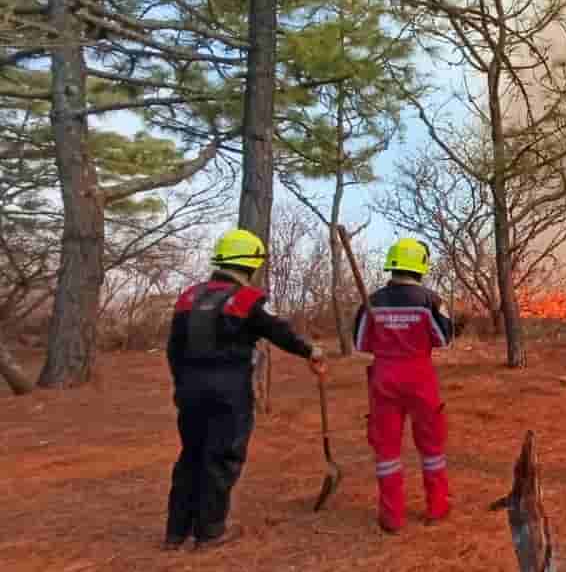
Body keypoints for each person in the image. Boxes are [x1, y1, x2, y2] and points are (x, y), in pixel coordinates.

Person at [164, 228, 326, 552]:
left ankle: (176, 532)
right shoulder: (247, 299)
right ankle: (210, 532)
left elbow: (173, 349)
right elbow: (280, 332)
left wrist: (182, 384)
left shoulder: (188, 297)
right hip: (229, 389)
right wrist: (311, 351)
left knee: (191, 455)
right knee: (222, 456)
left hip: (190, 388)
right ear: (251, 263)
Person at [354, 237, 454, 533]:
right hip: (420, 376)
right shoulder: (431, 301)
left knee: (386, 450)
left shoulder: (372, 301)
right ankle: (437, 507)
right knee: (432, 446)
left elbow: (360, 343)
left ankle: (392, 517)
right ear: (421, 266)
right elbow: (443, 339)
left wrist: (387, 336)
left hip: (384, 377)